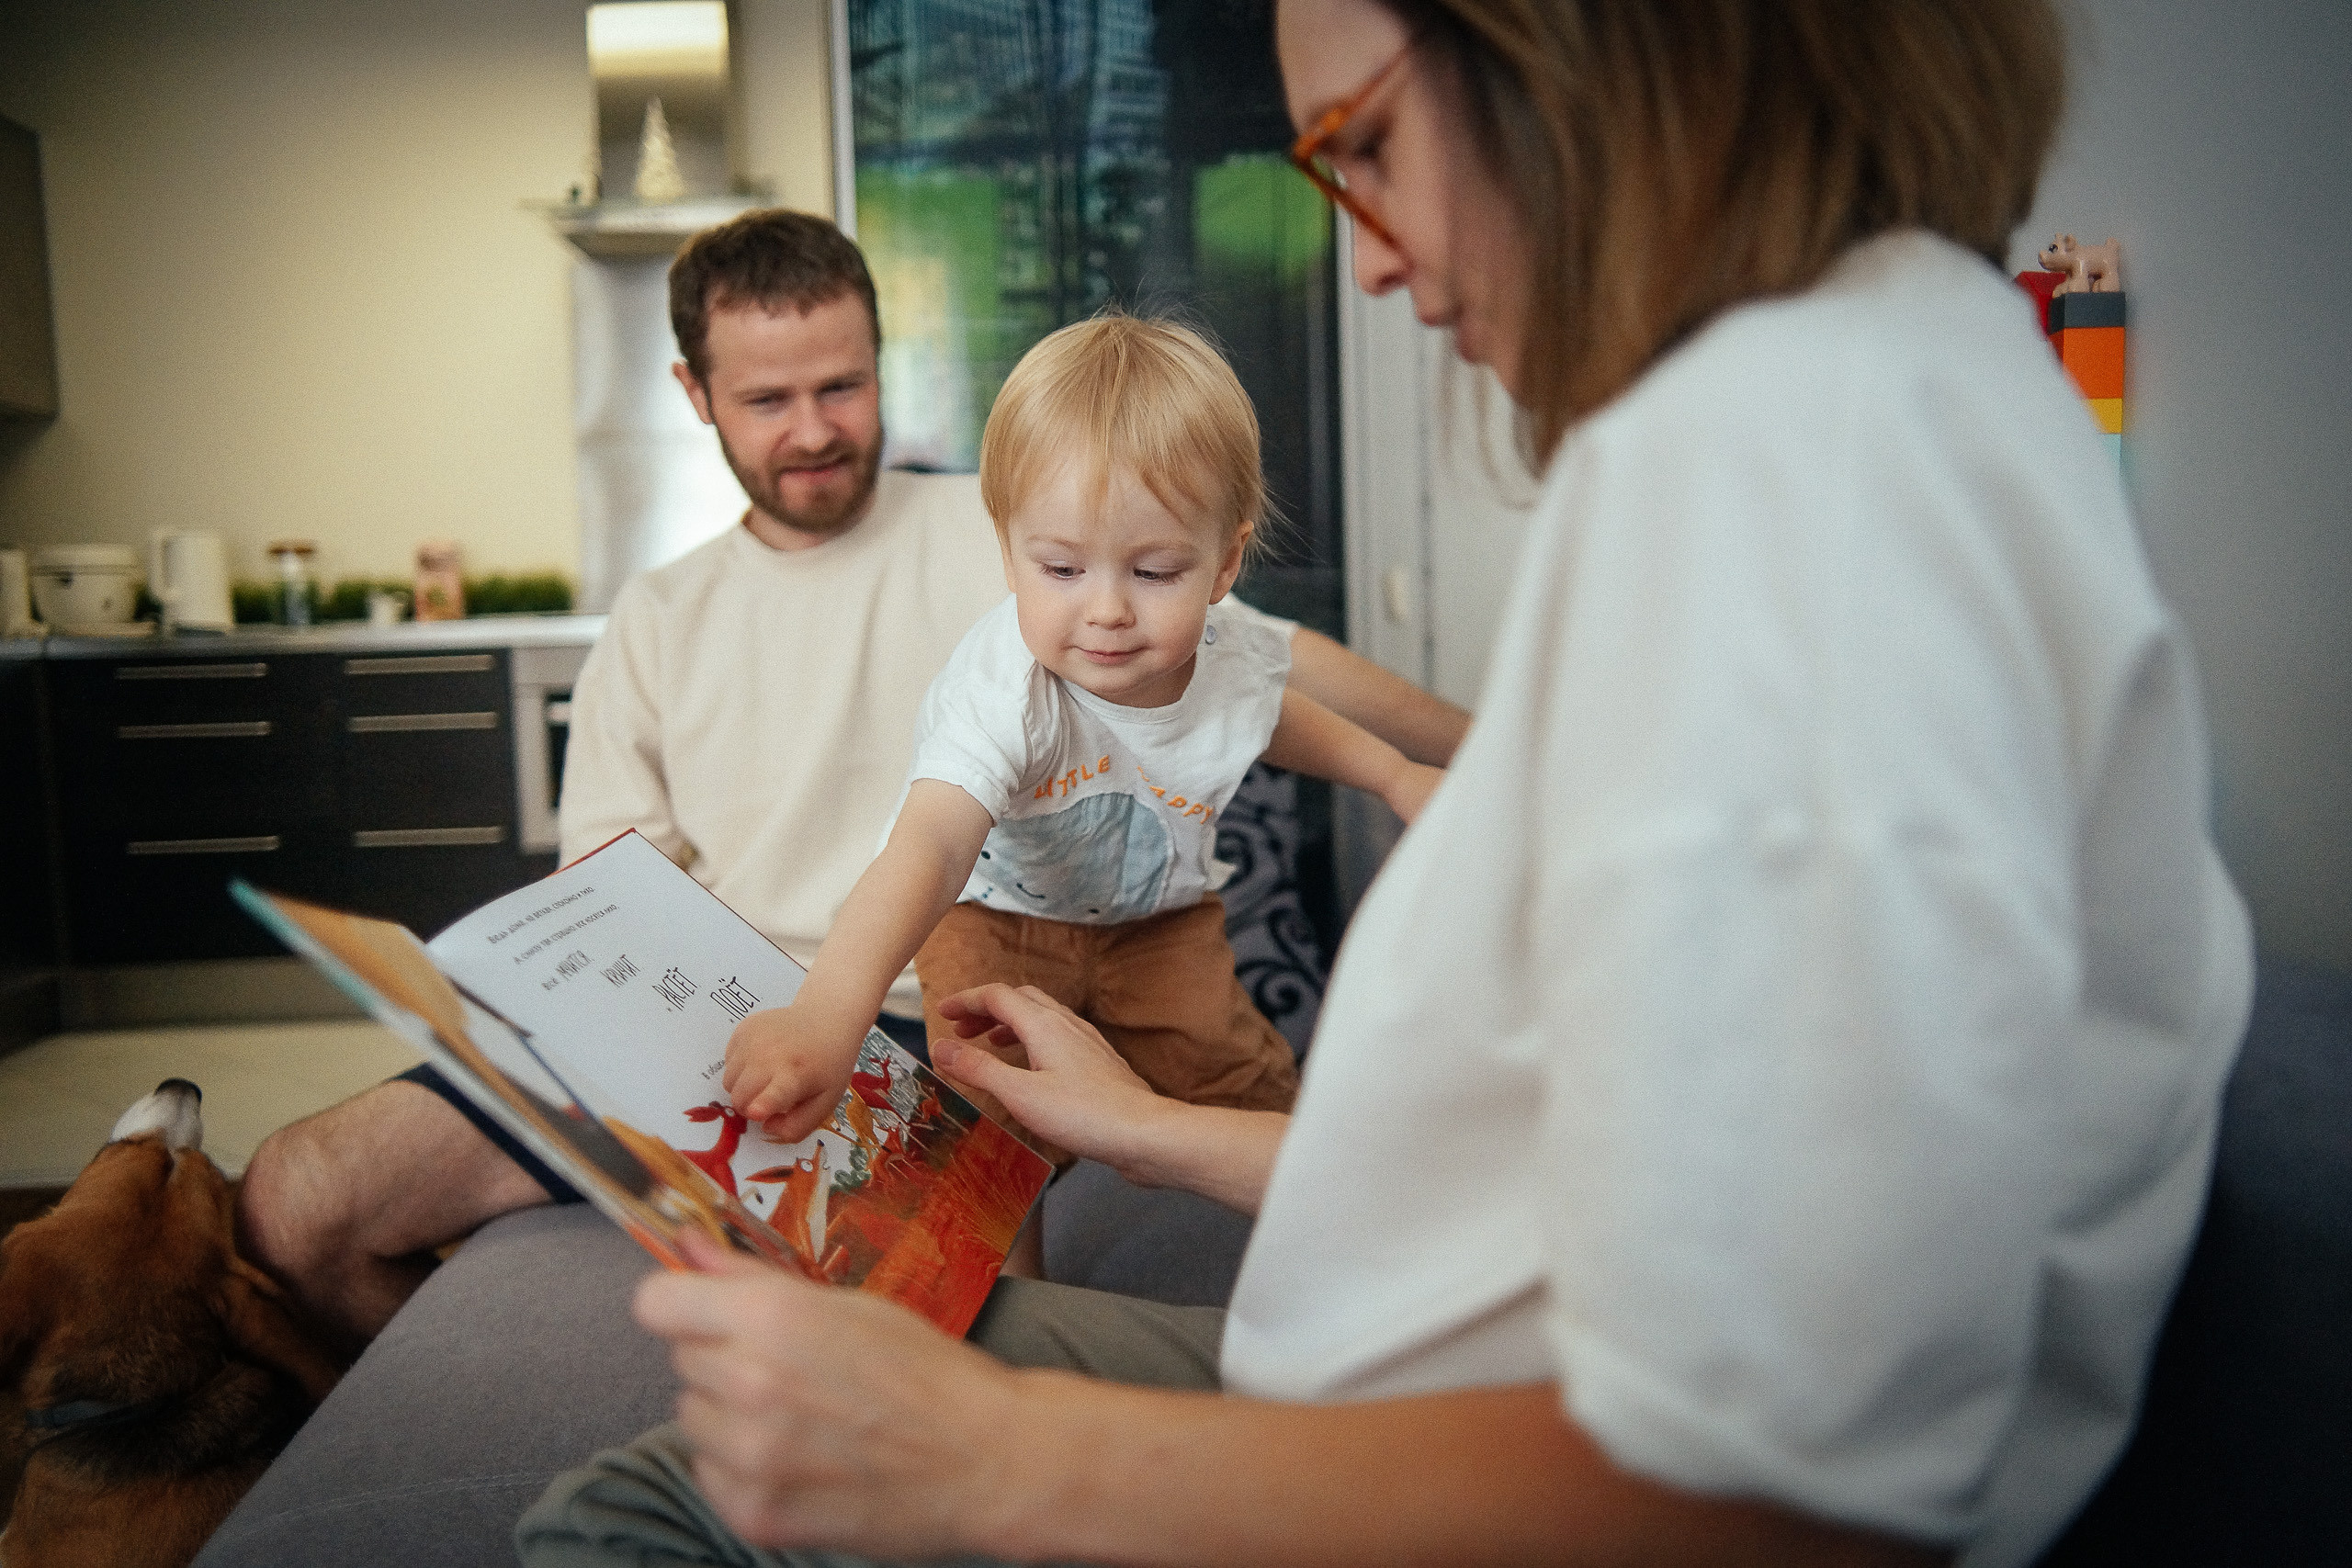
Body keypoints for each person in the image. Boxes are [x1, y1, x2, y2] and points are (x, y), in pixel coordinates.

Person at [513, 1, 2256, 1566]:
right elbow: (1590, 1187)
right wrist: (1136, 1129)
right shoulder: (1901, 383)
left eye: (1368, 146)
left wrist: (995, 1458)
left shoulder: (1774, 479)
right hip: (1396, 1384)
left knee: (634, 1510)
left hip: (1414, 1469)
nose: (1364, 261)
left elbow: (1791, 1491)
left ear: (1605, 55)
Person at [235, 209, 1469, 1355]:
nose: (815, 426)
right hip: (737, 1014)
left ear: (883, 362)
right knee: (299, 1191)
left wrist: (1470, 745)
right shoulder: (659, 621)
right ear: (695, 394)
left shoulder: (1044, 527)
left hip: (930, 994)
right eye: (768, 397)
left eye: (843, 384)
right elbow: (604, 896)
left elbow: (1268, 663)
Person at [724, 314, 1442, 1162]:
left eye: (1153, 572)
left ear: (1223, 565)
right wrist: (826, 1012)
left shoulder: (1231, 662)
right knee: (995, 1130)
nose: (1106, 610)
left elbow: (1275, 716)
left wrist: (1393, 772)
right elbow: (928, 845)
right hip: (994, 920)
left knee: (1247, 1086)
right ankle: (1019, 1290)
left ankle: (1302, 1266)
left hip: (1159, 923)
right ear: (1008, 552)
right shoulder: (1003, 690)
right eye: (1061, 570)